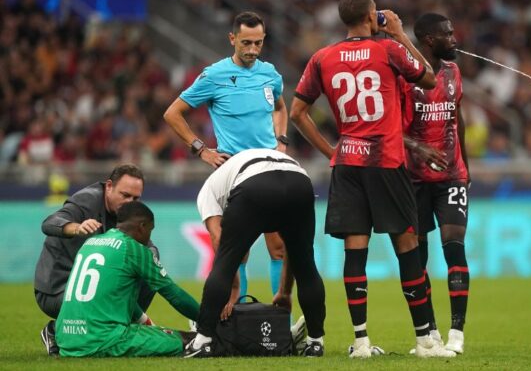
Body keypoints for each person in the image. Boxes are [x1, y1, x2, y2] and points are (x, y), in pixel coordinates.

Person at [289, 0, 454, 358]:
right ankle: (425, 340)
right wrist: (398, 33)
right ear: (370, 16)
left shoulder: (322, 57)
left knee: (355, 249)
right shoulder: (388, 49)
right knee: (407, 246)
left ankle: (361, 342)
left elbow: (297, 112)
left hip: (348, 164)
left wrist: (332, 151)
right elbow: (429, 79)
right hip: (385, 162)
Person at [163, 11, 289, 306]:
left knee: (279, 247)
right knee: (239, 250)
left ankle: (278, 315)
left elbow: (281, 108)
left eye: (258, 43)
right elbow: (172, 113)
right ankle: (241, 311)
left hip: (270, 167)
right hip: (235, 171)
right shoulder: (214, 75)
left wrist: (281, 141)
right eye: (246, 42)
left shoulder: (270, 73)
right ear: (232, 39)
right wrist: (201, 149)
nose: (252, 50)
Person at [183, 148, 326, 358]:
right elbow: (290, 251)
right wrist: (284, 292)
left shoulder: (207, 192)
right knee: (306, 264)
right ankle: (315, 343)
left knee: (225, 261)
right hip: (299, 181)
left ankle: (202, 341)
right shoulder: (237, 170)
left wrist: (234, 288)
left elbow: (218, 240)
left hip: (255, 186)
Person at [401, 13, 471, 354]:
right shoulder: (406, 79)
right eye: (448, 34)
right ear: (430, 40)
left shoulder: (454, 72)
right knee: (419, 258)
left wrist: (466, 171)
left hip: (451, 176)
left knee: (454, 245)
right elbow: (391, 131)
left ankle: (457, 332)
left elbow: (458, 122)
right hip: (413, 179)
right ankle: (430, 333)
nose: (454, 39)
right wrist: (417, 147)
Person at [34, 164, 156, 356]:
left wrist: (151, 256)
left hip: (89, 289)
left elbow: (148, 246)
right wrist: (75, 227)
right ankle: (55, 331)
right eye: (125, 195)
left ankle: (120, 329)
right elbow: (49, 223)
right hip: (56, 290)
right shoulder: (86, 201)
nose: (130, 203)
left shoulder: (127, 213)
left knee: (149, 267)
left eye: (136, 198)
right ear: (109, 186)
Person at [55, 201, 200, 357]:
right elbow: (174, 294)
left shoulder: (90, 243)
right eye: (150, 230)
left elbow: (111, 293)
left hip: (65, 340)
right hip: (102, 340)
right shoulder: (133, 249)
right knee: (186, 340)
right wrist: (207, 320)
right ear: (142, 226)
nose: (150, 237)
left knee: (151, 330)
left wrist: (145, 322)